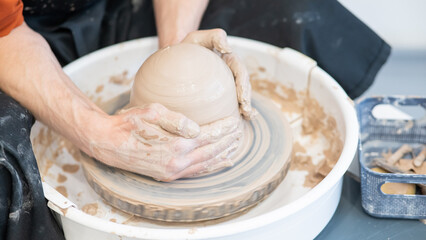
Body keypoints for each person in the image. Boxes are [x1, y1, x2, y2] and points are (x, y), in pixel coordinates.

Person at [0, 0, 390, 239]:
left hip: (125, 6)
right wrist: (94, 131)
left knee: (302, 15)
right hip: (17, 40)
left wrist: (178, 53)